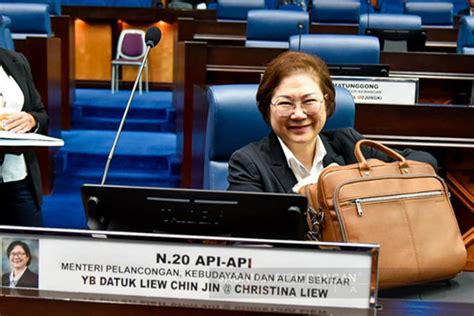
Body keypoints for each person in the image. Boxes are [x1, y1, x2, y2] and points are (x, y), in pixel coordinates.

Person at [228, 51, 437, 193]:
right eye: (285, 103)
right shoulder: (248, 163)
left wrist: (361, 179)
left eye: (309, 101)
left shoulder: (349, 142)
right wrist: (314, 192)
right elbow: (248, 229)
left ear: (327, 103)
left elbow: (425, 162)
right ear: (267, 107)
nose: (299, 114)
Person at [0, 47, 48, 226]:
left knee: (26, 250)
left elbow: (41, 114)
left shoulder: (16, 61)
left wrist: (32, 120)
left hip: (19, 180)